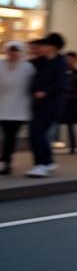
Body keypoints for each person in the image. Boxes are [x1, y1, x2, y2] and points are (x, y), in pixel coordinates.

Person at [25, 32, 67, 177]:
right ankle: (47, 162)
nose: (42, 47)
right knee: (38, 132)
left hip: (52, 105)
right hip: (38, 104)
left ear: (53, 47)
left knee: (36, 132)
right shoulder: (40, 61)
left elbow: (61, 84)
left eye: (45, 45)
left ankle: (41, 164)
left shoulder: (60, 63)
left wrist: (45, 91)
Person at [0, 41, 34, 175]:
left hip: (19, 109)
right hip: (2, 107)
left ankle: (6, 162)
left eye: (15, 52)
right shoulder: (1, 65)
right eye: (10, 51)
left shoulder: (28, 68)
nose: (12, 54)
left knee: (10, 137)